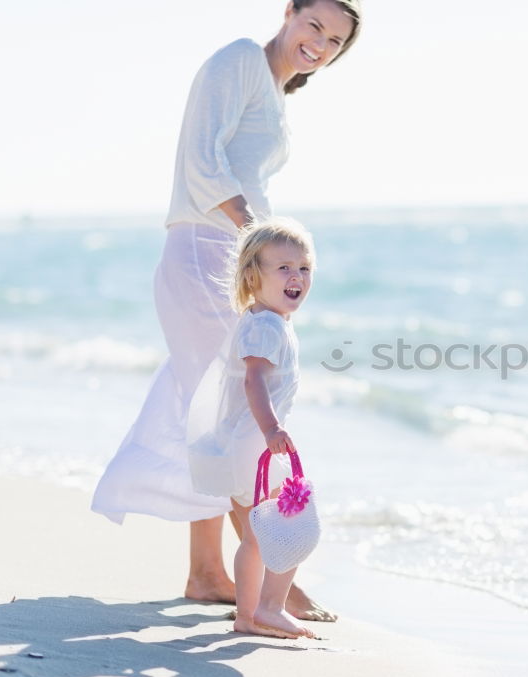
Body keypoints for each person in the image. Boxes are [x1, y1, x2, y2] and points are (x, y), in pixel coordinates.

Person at [91, 0, 361, 621]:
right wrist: (254, 236)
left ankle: (208, 573)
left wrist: (254, 244)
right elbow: (200, 158)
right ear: (289, 11)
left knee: (210, 412)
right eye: (314, 25)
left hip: (225, 250)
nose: (320, 44)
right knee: (237, 414)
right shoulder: (240, 59)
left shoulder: (275, 92)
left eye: (335, 41)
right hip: (208, 250)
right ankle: (273, 585)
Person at [188, 218, 317, 638]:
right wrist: (272, 428)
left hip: (242, 442)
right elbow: (253, 380)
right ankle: (270, 607)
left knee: (255, 538)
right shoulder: (265, 325)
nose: (296, 276)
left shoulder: (262, 319)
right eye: (283, 267)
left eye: (304, 267)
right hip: (254, 442)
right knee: (289, 527)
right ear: (252, 275)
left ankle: (248, 616)